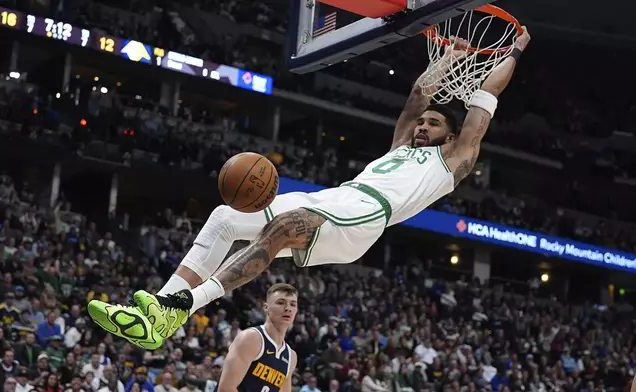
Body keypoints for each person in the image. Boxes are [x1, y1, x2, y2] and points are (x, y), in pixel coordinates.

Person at [88, 28, 532, 350]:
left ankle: (182, 306)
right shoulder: (401, 144)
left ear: (451, 137)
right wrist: (449, 58)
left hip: (365, 217)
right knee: (225, 217)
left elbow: (483, 106)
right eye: (421, 122)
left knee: (283, 224)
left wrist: (513, 51)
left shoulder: (455, 159)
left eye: (433, 123)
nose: (421, 126)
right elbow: (419, 92)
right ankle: (157, 313)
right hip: (335, 197)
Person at [214, 283, 297, 392]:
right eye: (281, 303)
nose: (288, 308)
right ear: (266, 308)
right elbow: (226, 389)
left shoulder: (291, 356)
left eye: (293, 304)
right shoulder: (252, 338)